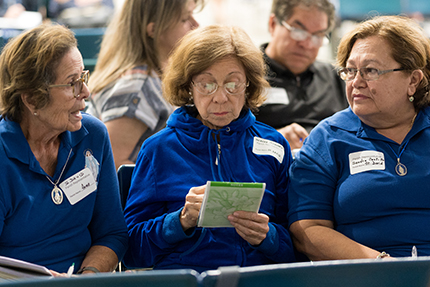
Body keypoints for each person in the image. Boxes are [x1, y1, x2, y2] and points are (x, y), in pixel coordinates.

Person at [123, 25, 296, 272]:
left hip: (257, 279)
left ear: (248, 85)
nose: (220, 97)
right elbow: (131, 251)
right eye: (206, 84)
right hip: (188, 280)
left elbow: (298, 246)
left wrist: (267, 236)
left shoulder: (275, 146)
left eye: (233, 84)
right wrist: (181, 220)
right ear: (188, 88)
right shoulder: (158, 149)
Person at [288, 15, 430, 260]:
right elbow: (308, 230)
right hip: (367, 274)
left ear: (413, 80)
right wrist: (381, 266)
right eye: (350, 70)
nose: (356, 82)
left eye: (371, 71)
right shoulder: (328, 138)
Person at [0, 23, 128, 274]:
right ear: (32, 98)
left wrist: (87, 276)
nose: (86, 92)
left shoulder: (93, 136)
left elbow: (112, 234)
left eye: (83, 77)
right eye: (72, 83)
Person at [87, 0, 203, 170]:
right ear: (153, 29)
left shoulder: (158, 73)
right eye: (185, 19)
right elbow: (113, 165)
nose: (195, 25)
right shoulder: (137, 89)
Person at [255, 0, 347, 150]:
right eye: (298, 31)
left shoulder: (336, 78)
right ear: (273, 24)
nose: (307, 44)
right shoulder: (245, 76)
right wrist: (270, 140)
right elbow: (223, 138)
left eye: (318, 35)